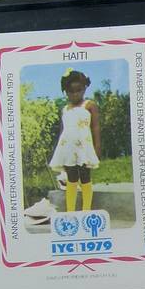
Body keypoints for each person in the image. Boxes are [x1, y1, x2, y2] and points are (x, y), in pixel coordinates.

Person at [49, 70, 100, 212]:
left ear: (84, 89)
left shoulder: (89, 105)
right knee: (71, 177)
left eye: (79, 90)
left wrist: (97, 147)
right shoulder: (65, 109)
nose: (75, 94)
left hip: (84, 148)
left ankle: (86, 210)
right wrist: (58, 150)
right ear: (66, 92)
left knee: (85, 175)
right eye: (71, 92)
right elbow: (62, 131)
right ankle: (70, 211)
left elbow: (95, 127)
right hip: (68, 149)